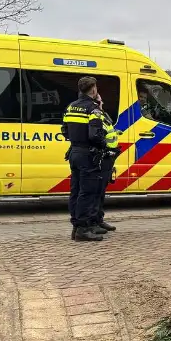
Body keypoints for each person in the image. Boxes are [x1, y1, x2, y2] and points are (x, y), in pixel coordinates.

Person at [61, 77, 111, 242]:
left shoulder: (71, 107)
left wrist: (77, 141)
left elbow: (65, 130)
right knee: (87, 192)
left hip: (74, 153)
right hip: (88, 155)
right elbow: (95, 135)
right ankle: (83, 228)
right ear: (93, 89)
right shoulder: (93, 109)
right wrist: (103, 145)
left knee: (75, 191)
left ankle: (76, 226)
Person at [92, 96, 121, 232]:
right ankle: (94, 221)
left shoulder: (103, 116)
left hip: (109, 157)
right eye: (100, 100)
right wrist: (106, 149)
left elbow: (106, 132)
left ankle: (99, 219)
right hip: (103, 157)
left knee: (101, 191)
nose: (103, 102)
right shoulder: (96, 117)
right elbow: (97, 136)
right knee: (97, 191)